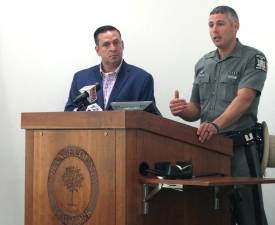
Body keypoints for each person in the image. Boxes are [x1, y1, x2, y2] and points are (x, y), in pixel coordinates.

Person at [169, 6, 268, 225]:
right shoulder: (203, 63)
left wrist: (215, 124)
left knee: (248, 213)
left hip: (240, 148)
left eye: (220, 24)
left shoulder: (253, 58)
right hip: (209, 148)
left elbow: (244, 99)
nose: (215, 30)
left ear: (236, 26)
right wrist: (182, 110)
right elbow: (196, 108)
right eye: (211, 25)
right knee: (211, 209)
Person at [65, 25, 160, 114]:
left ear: (122, 45)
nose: (113, 48)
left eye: (116, 42)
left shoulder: (142, 79)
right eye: (106, 44)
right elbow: (69, 112)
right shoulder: (81, 78)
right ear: (97, 50)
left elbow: (150, 118)